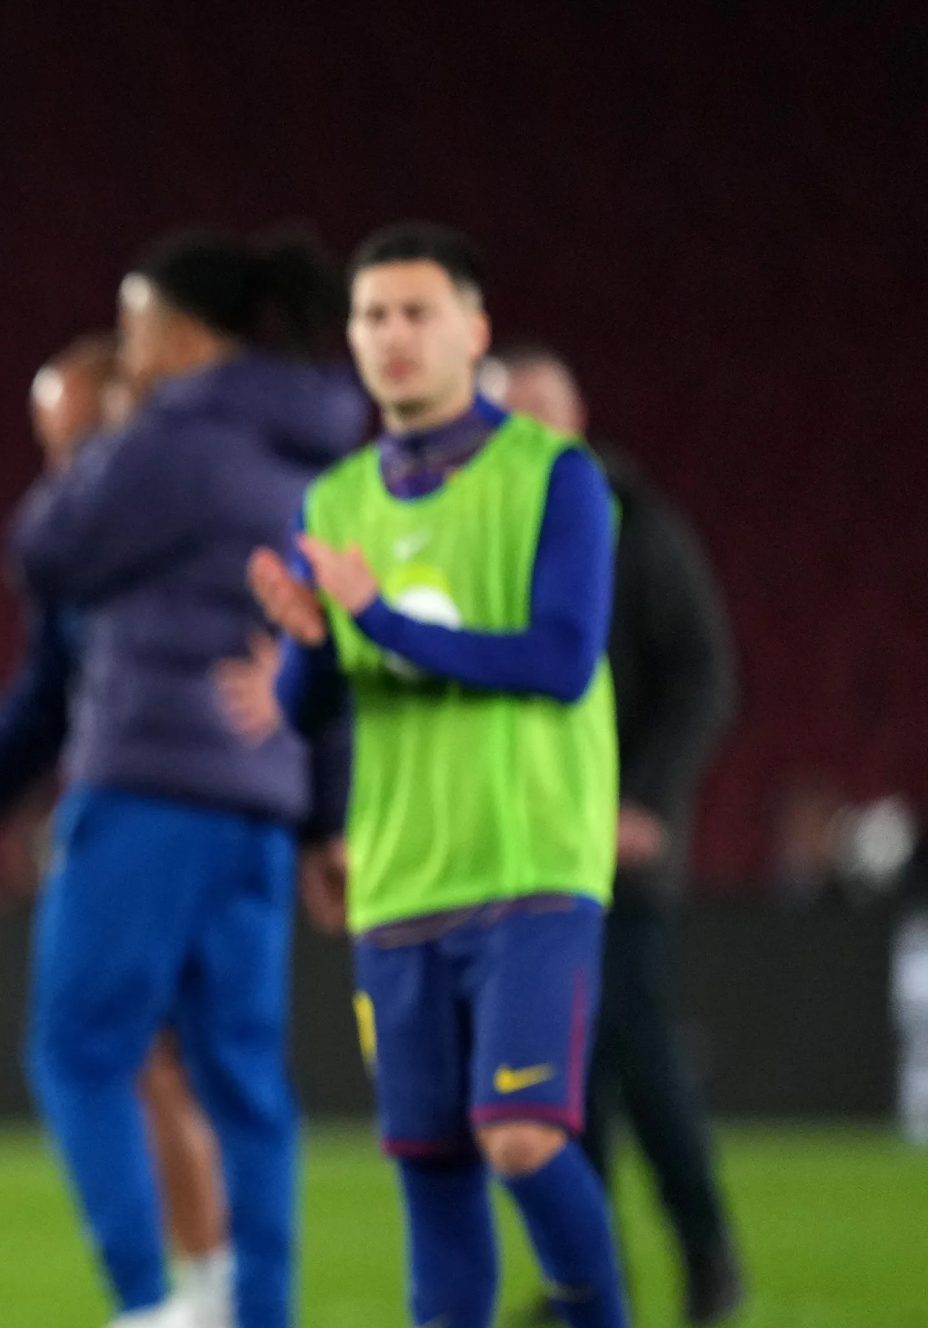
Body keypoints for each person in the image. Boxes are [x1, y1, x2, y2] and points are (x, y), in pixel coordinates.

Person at [0, 235, 365, 1328]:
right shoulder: (312, 450)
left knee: (80, 1049)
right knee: (243, 1082)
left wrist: (102, 447)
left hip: (150, 777)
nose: (131, 354)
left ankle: (146, 1303)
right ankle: (255, 1310)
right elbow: (328, 644)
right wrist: (327, 818)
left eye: (136, 329)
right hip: (260, 799)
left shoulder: (173, 438)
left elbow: (42, 550)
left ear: (176, 335)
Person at [218, 223, 627, 1328]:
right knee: (432, 1167)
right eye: (372, 317)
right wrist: (309, 644)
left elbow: (560, 660)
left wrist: (375, 615)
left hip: (530, 861)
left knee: (521, 1136)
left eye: (417, 313)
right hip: (399, 875)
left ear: (472, 330)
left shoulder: (555, 477)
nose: (392, 336)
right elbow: (313, 704)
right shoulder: (332, 504)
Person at [0, 336, 236, 1326]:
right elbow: (41, 708)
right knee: (159, 1062)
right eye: (53, 449)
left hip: (164, 814)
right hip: (212, 814)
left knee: (83, 1050)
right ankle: (215, 1294)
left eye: (79, 442)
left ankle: (154, 1301)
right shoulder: (119, 546)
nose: (65, 470)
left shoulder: (169, 540)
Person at [493, 348, 746, 1323]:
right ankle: (591, 1282)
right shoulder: (486, 538)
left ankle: (707, 1257)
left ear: (575, 419)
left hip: (616, 854)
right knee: (559, 1080)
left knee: (639, 1057)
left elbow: (702, 674)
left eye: (536, 411)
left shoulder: (636, 528)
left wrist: (642, 802)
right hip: (523, 857)